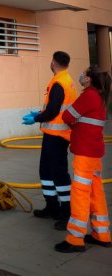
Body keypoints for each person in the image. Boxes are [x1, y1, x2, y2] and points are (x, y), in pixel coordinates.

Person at [55, 66, 112, 253]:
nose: (82, 75)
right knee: (96, 192)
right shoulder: (100, 96)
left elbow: (67, 116)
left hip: (85, 153)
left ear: (89, 79)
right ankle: (101, 234)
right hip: (94, 152)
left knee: (80, 193)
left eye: (85, 73)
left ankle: (75, 239)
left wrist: (75, 120)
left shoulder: (88, 95)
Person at [22, 51, 78, 230]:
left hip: (57, 137)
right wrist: (39, 114)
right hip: (53, 135)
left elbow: (53, 110)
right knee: (46, 171)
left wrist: (36, 119)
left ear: (53, 62)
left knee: (59, 174)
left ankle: (66, 212)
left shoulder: (58, 83)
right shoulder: (66, 80)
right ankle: (52, 207)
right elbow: (57, 109)